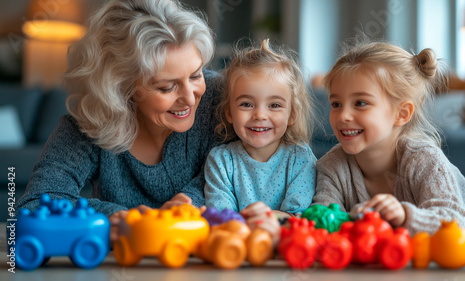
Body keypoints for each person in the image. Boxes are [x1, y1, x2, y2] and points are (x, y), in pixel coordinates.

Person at [16, 0, 220, 242]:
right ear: (121, 87)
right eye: (166, 87)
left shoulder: (221, 98)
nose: (189, 97)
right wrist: (114, 217)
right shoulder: (92, 120)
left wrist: (190, 202)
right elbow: (34, 206)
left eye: (196, 75)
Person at [313, 40, 465, 237]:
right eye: (336, 104)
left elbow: (454, 221)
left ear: (402, 113)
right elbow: (322, 220)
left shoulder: (424, 158)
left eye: (360, 103)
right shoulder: (331, 166)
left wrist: (405, 216)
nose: (343, 115)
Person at [203, 39, 317, 242]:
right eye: (247, 104)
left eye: (274, 105)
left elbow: (300, 216)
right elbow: (220, 217)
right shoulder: (221, 160)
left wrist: (266, 221)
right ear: (229, 112)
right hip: (236, 247)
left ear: (292, 115)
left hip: (287, 248)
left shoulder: (300, 157)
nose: (260, 115)